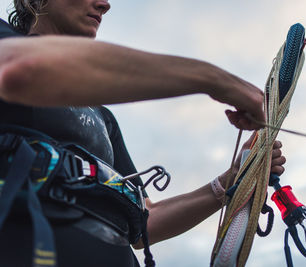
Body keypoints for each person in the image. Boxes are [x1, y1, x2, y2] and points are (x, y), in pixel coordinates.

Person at [0, 0, 286, 266]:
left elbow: (145, 222)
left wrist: (228, 183)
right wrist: (214, 80)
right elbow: (20, 67)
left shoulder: (102, 116)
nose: (105, 4)